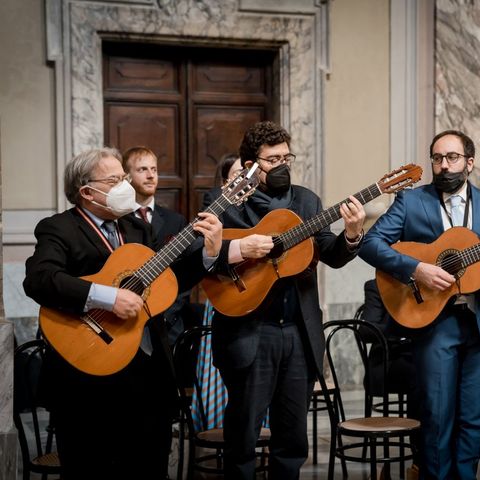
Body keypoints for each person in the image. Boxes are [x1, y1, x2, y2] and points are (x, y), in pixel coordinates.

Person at [23, 147, 223, 480]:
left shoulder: (136, 229)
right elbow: (40, 279)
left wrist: (209, 254)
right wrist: (105, 297)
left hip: (146, 373)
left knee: (150, 465)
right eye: (115, 179)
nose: (126, 186)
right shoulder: (59, 228)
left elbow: (166, 283)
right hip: (86, 376)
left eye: (124, 178)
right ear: (87, 191)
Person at [358, 130, 480, 480]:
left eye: (452, 158)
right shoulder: (411, 202)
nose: (443, 166)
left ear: (469, 162)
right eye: (437, 158)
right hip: (434, 322)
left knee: (473, 417)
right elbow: (370, 244)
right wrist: (417, 268)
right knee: (437, 416)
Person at [208, 120, 366, 479]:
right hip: (250, 330)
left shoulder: (307, 200)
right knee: (243, 435)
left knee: (293, 436)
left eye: (286, 157)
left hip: (298, 331)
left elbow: (332, 253)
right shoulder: (227, 202)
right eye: (272, 159)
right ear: (251, 164)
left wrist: (353, 233)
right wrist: (241, 249)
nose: (282, 164)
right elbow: (199, 256)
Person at [122, 146, 202, 346]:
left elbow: (184, 274)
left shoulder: (175, 221)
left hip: (170, 323)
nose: (151, 176)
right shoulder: (118, 220)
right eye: (142, 170)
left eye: (154, 169)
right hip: (125, 321)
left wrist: (168, 313)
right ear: (127, 177)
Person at [360, 278, 417, 421]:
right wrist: (404, 329)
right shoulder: (376, 286)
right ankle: (419, 436)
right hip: (388, 359)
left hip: (418, 354)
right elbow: (366, 331)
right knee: (423, 372)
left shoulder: (426, 284)